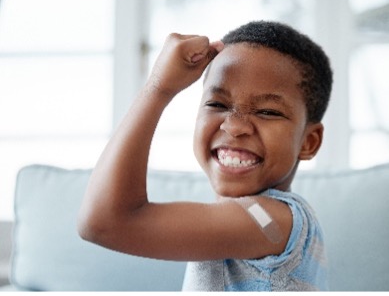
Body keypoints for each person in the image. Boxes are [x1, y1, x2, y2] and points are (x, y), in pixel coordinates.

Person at [78, 20, 333, 291]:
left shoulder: (272, 220)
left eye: (267, 112)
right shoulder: (248, 221)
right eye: (217, 104)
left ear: (309, 141)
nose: (234, 126)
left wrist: (159, 88)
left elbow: (105, 221)